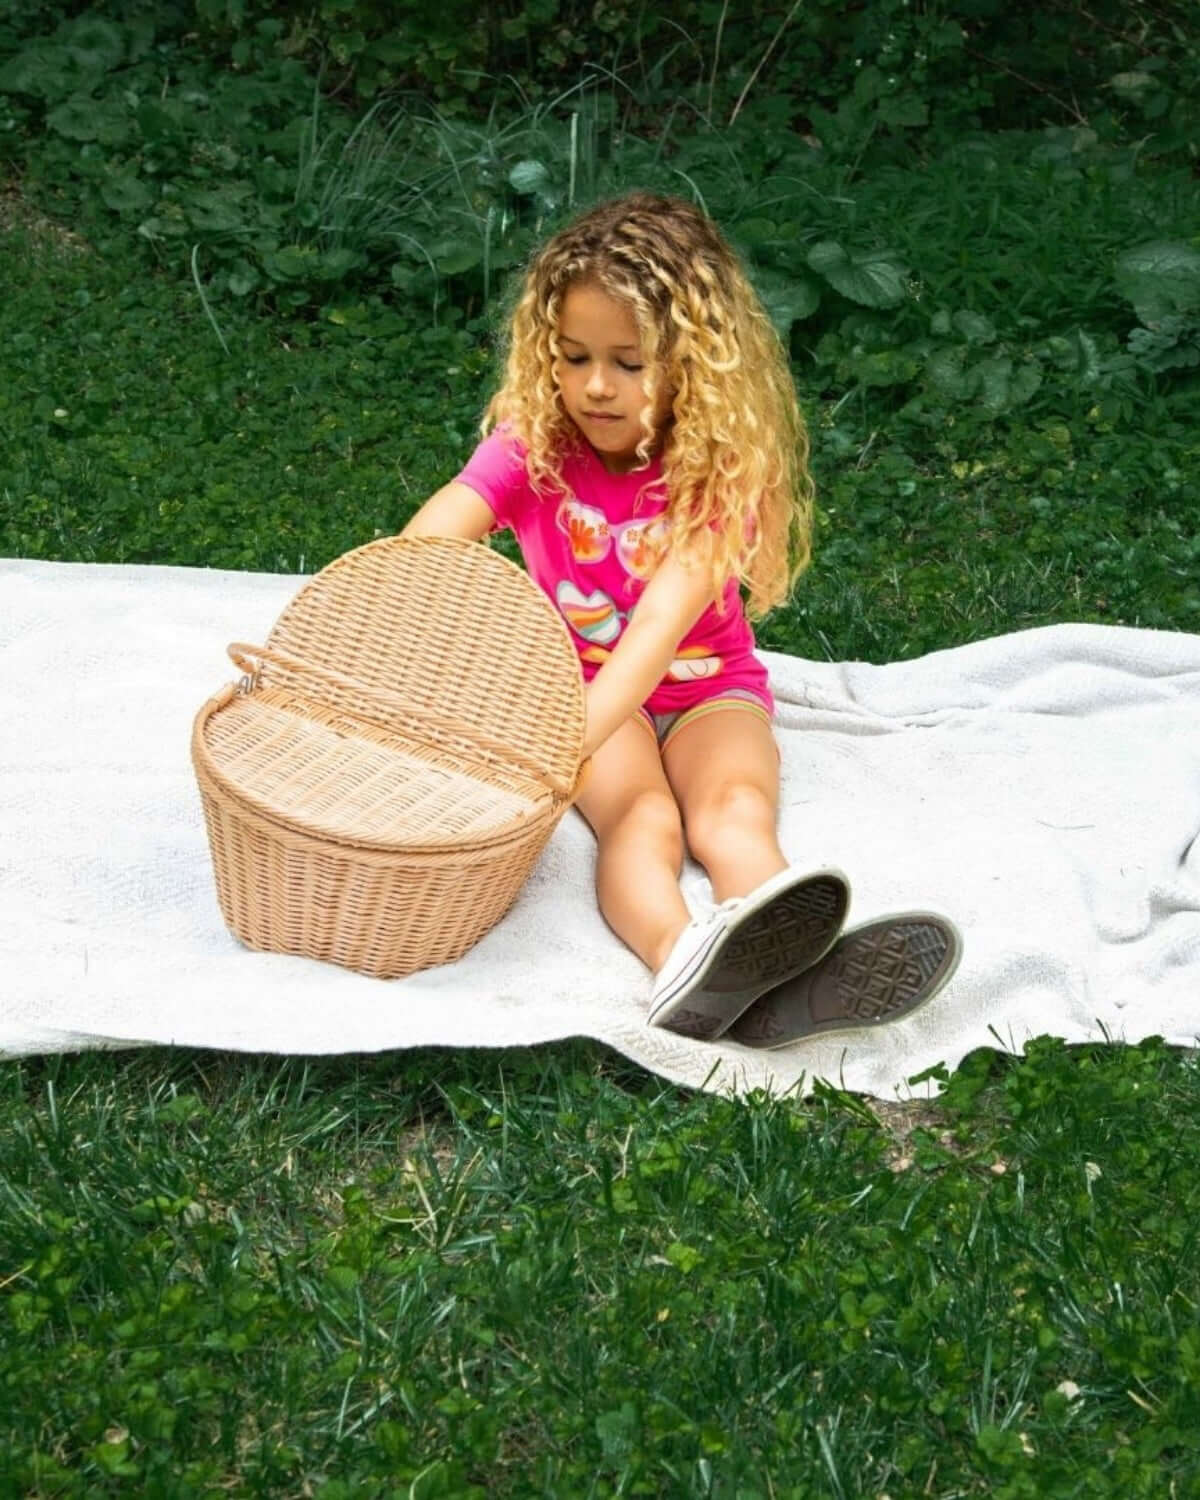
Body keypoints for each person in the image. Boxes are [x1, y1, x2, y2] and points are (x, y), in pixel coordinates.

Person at [401, 192, 959, 1044]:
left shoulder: (717, 470)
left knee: (734, 809)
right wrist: (418, 628)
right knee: (642, 821)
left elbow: (658, 629)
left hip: (708, 689)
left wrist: (555, 747)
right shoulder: (532, 446)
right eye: (574, 356)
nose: (596, 385)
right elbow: (428, 543)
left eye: (629, 362)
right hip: (585, 692)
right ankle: (681, 963)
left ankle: (794, 966)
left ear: (693, 363)